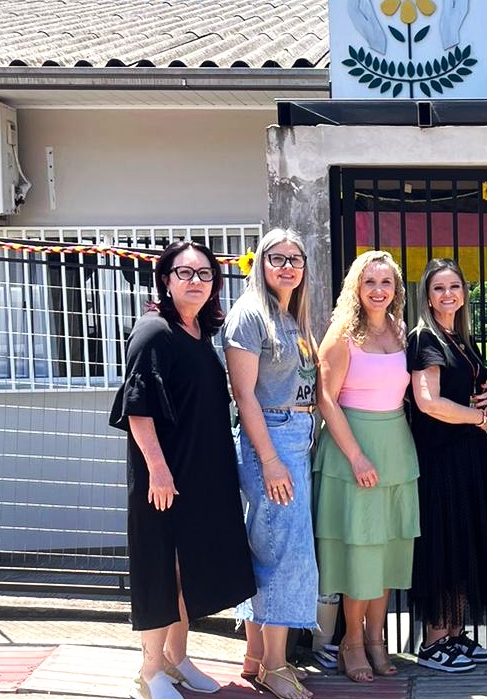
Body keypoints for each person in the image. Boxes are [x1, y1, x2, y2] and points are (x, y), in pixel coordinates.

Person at [110, 241, 256, 699]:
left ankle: (176, 659)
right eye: (185, 272)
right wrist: (158, 469)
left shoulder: (199, 333)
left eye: (205, 274)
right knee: (164, 569)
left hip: (201, 474)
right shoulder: (154, 332)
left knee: (188, 567)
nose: (196, 281)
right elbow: (138, 408)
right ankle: (150, 670)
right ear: (165, 279)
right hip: (166, 478)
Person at [312, 251, 420, 682]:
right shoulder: (341, 334)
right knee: (359, 551)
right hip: (351, 448)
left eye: (386, 283)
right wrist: (356, 455)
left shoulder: (400, 331)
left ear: (396, 289)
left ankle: (377, 639)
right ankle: (351, 643)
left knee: (391, 547)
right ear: (357, 287)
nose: (379, 290)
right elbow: (325, 399)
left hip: (396, 446)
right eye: (370, 282)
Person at [224, 229, 319, 699]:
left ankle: (257, 658)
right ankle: (278, 666)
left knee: (270, 545)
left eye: (295, 259)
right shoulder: (250, 315)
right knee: (287, 553)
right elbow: (245, 396)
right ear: (261, 263)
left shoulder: (293, 315)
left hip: (296, 435)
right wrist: (270, 461)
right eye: (277, 258)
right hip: (272, 438)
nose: (287, 267)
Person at [406, 258, 487, 673]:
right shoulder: (425, 338)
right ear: (427, 295)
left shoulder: (459, 339)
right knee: (442, 543)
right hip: (440, 458)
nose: (448, 295)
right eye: (439, 288)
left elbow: (485, 383)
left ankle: (455, 633)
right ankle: (432, 640)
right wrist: (478, 417)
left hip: (468, 458)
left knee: (464, 542)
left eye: (455, 287)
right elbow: (428, 402)